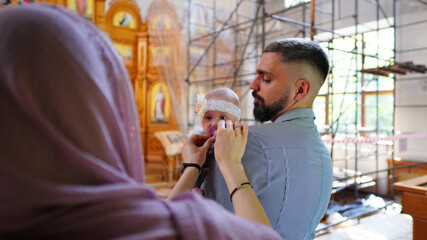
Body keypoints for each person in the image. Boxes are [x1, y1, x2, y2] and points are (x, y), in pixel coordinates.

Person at [0, 5, 281, 239]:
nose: (214, 123)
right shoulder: (198, 230)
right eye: (209, 116)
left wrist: (193, 166)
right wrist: (228, 167)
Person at [201, 38, 333, 239]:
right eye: (257, 76)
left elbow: (206, 223)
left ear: (300, 90)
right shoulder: (323, 154)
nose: (253, 85)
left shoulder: (245, 143)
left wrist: (190, 167)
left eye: (266, 78)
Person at [187, 88, 241, 188]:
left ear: (236, 121)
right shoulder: (198, 140)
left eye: (223, 118)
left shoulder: (236, 141)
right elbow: (188, 168)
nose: (214, 123)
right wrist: (194, 187)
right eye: (208, 118)